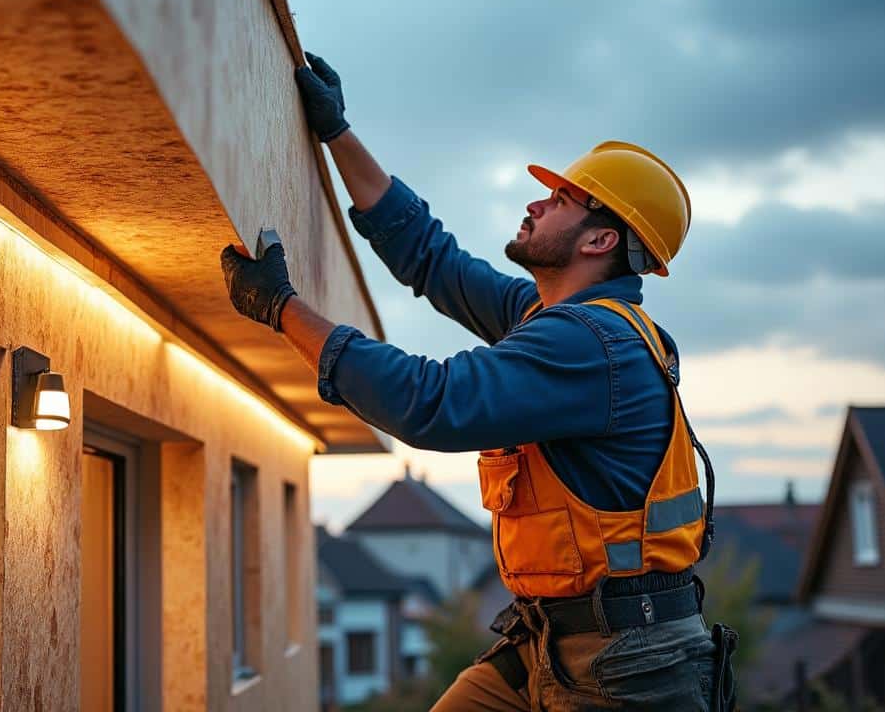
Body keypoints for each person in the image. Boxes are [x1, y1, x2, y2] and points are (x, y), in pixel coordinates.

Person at [220, 53, 737, 711]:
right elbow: (433, 260)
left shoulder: (590, 346)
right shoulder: (554, 319)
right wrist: (338, 133)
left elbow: (431, 404)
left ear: (600, 240)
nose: (535, 202)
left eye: (559, 199)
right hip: (554, 640)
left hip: (631, 673)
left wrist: (280, 308)